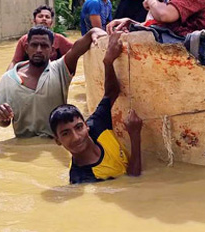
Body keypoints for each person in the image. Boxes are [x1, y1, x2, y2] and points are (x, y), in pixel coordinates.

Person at [49, 33, 143, 184]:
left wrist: (108, 61)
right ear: (58, 141)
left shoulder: (96, 125)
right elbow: (133, 178)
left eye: (78, 127)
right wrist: (135, 135)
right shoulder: (82, 178)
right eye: (66, 133)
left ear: (86, 125)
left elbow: (111, 93)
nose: (76, 136)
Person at [0, 25, 105, 138]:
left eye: (44, 46)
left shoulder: (60, 70)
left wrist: (94, 31)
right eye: (34, 45)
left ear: (52, 50)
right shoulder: (8, 79)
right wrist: (0, 117)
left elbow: (76, 49)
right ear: (27, 48)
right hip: (24, 145)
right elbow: (3, 123)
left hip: (57, 142)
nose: (38, 50)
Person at [7, 5, 73, 71]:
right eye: (40, 16)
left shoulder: (59, 39)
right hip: (29, 75)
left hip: (52, 74)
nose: (44, 19)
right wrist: (7, 77)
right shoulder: (24, 40)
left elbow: (74, 52)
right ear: (34, 21)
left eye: (47, 17)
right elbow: (15, 62)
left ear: (51, 23)